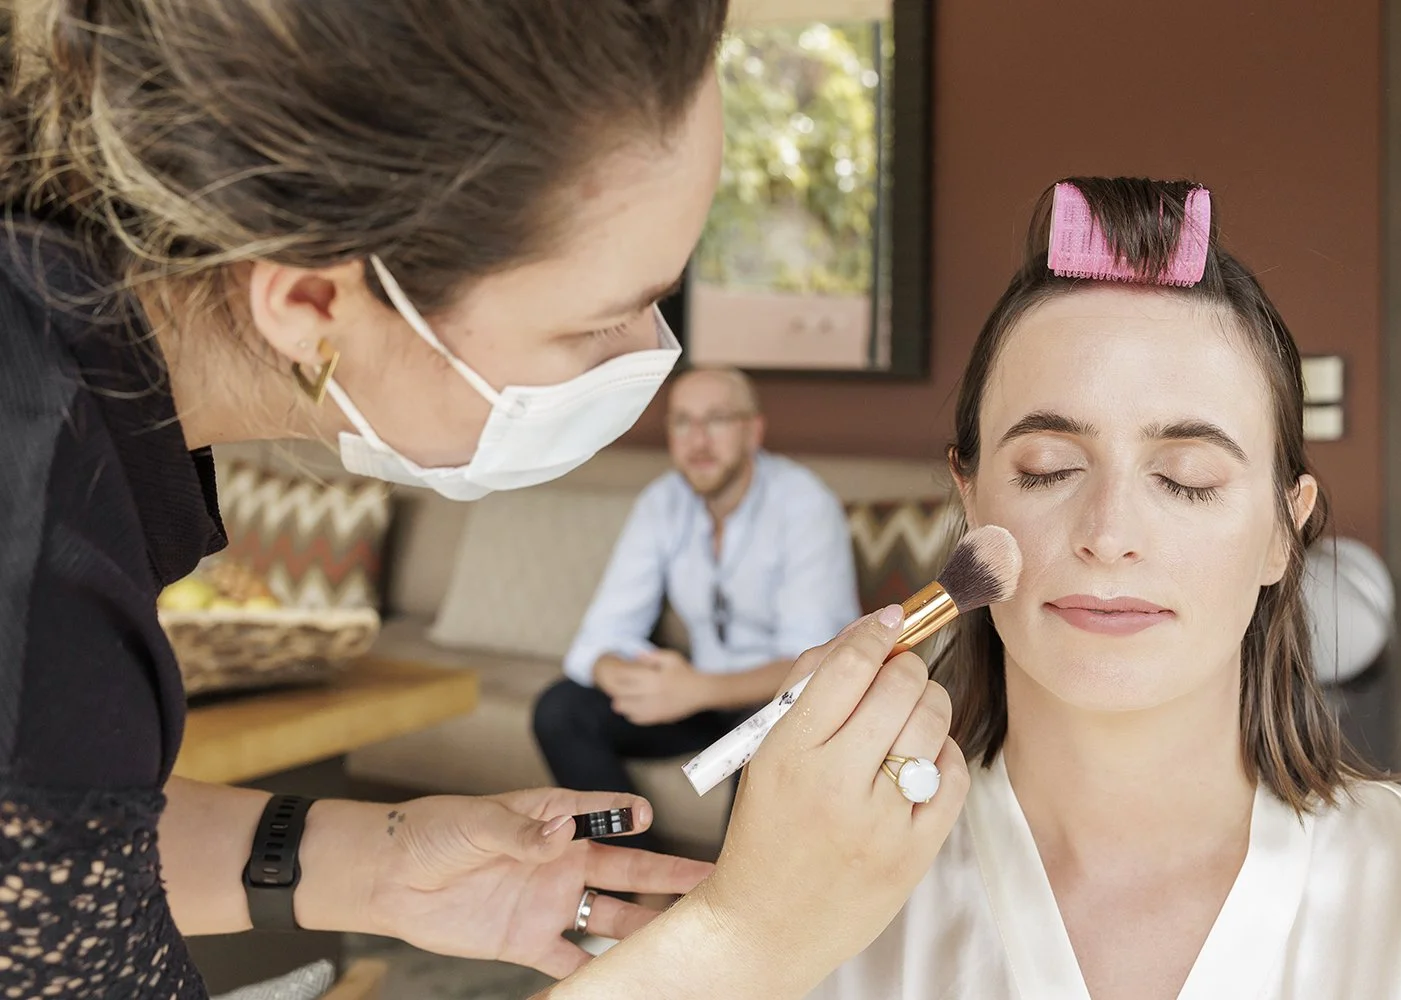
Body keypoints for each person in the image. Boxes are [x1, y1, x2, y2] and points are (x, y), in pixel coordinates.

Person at [0, 3, 969, 998]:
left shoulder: (53, 384)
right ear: (311, 303)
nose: (653, 360)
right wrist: (750, 943)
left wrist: (373, 863)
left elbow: (57, 849)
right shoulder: (36, 568)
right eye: (604, 320)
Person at [807, 178, 1401, 999]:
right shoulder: (819, 910)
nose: (1108, 532)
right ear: (971, 497)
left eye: (1186, 478)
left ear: (1286, 528)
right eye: (1048, 470)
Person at [533, 367, 861, 851]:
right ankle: (640, 882)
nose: (698, 440)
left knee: (759, 746)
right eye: (683, 422)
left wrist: (698, 689)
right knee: (561, 710)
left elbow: (815, 661)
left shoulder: (804, 505)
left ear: (753, 431)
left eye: (717, 420)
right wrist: (618, 674)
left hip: (778, 703)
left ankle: (734, 913)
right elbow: (600, 636)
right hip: (696, 694)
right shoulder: (662, 503)